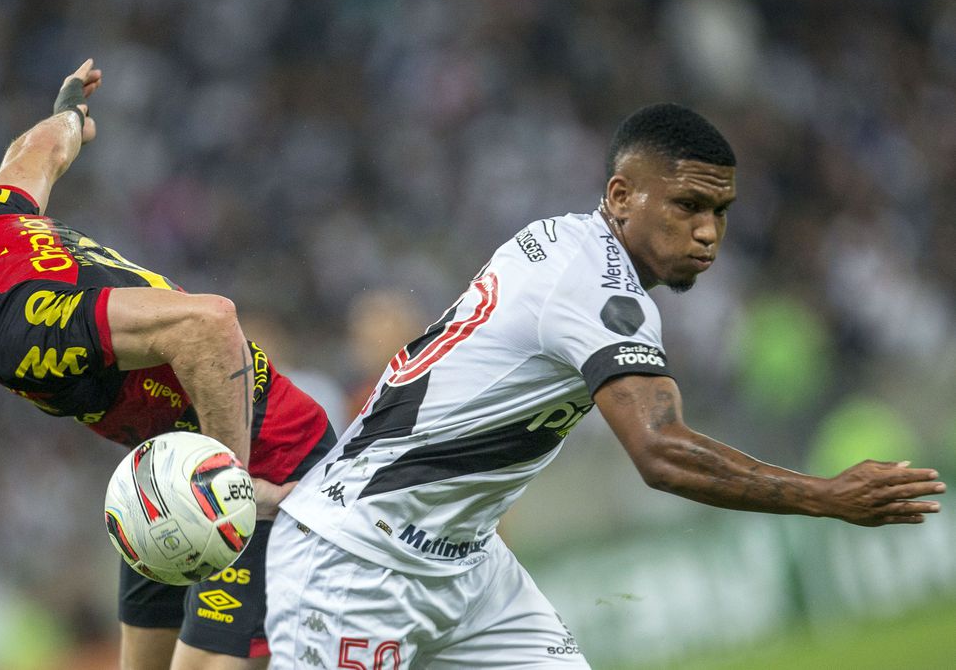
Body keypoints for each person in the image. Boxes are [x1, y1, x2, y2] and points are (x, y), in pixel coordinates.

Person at [263, 103, 947, 669]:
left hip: (463, 566)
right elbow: (662, 454)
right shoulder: (593, 285)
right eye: (687, 206)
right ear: (620, 196)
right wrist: (827, 497)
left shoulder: (565, 245)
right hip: (356, 563)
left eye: (721, 210)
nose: (708, 232)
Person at [0, 59, 334, 670]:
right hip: (166, 480)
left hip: (266, 459)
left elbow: (208, 323)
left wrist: (229, 488)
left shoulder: (18, 330)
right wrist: (70, 112)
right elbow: (35, 150)